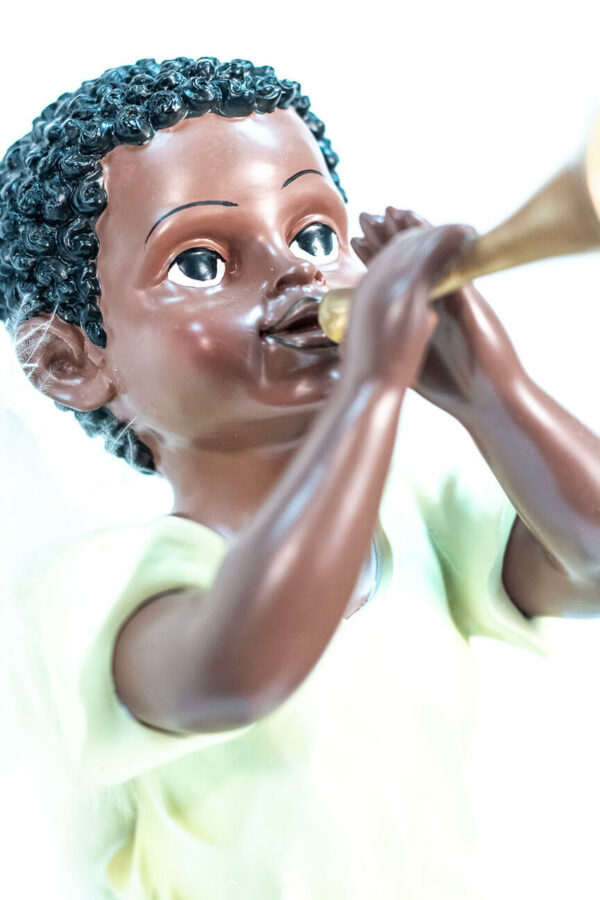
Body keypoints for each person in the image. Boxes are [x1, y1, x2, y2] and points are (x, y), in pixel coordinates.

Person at [1, 55, 600, 899]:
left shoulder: (415, 518)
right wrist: (373, 391)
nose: (300, 276)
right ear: (70, 364)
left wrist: (492, 392)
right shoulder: (98, 584)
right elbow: (240, 672)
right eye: (203, 262)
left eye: (316, 234)